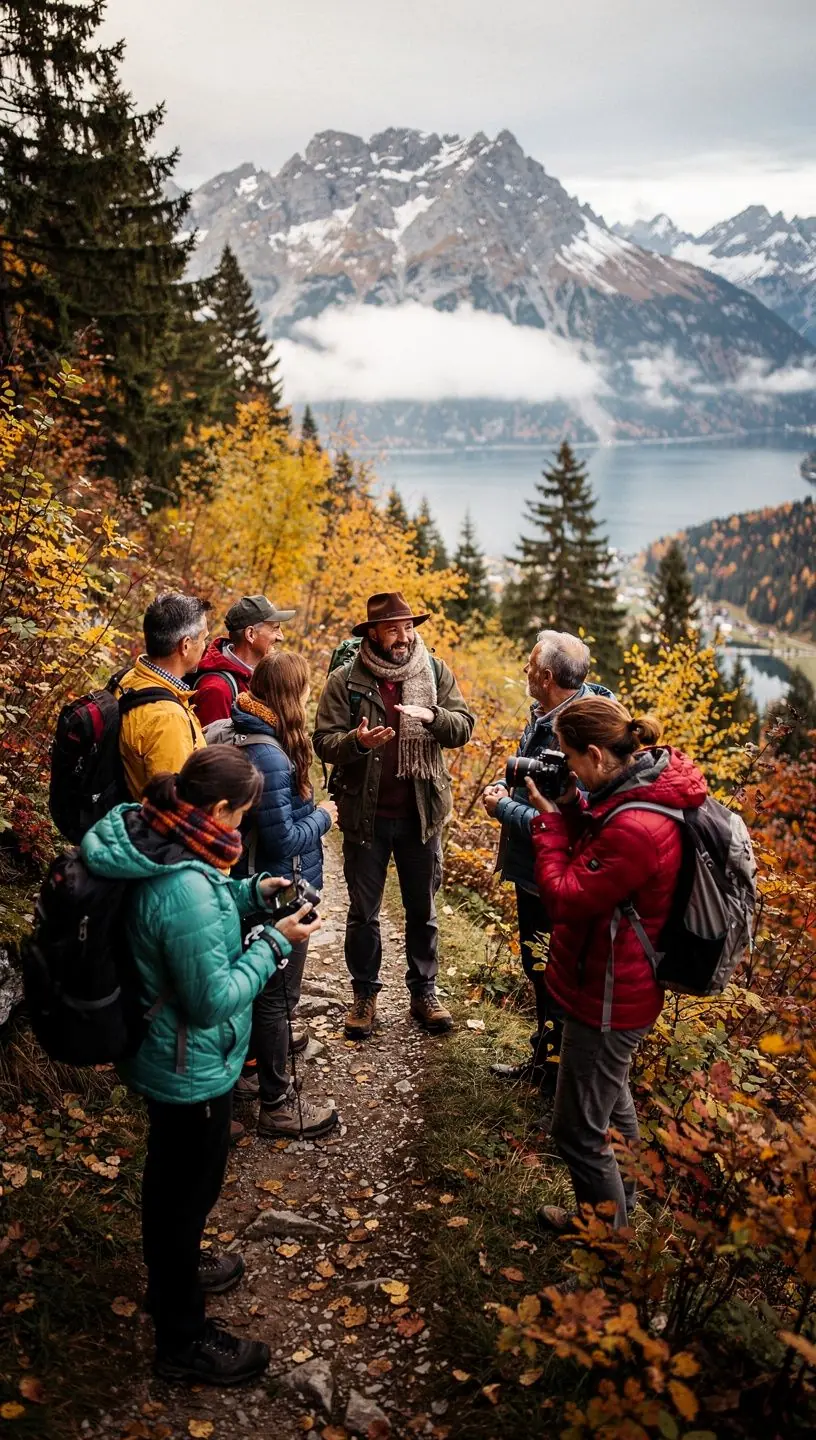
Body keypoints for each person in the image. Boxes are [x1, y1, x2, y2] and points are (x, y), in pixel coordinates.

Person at [81, 746, 321, 1384]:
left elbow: (200, 916)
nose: (241, 828)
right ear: (218, 809)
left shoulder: (168, 833)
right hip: (187, 1064)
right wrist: (275, 942)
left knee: (178, 1185)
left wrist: (252, 893)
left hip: (166, 1051)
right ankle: (181, 1342)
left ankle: (179, 1266)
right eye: (240, 815)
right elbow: (211, 999)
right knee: (182, 1194)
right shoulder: (183, 882)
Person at [525, 697, 706, 1232]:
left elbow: (564, 896)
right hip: (615, 982)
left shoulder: (638, 826)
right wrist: (575, 808)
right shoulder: (636, 790)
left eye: (570, 758)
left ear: (599, 755)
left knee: (578, 1131)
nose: (568, 769)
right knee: (612, 1102)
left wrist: (550, 824)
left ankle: (608, 1254)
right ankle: (615, 1208)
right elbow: (603, 844)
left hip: (609, 994)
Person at [313, 591, 475, 1039]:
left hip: (421, 814)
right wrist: (356, 744)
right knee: (363, 913)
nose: (403, 637)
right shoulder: (346, 680)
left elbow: (463, 727)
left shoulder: (434, 670)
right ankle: (364, 994)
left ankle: (424, 993)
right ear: (373, 633)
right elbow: (323, 741)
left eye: (408, 628)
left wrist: (434, 717)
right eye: (392, 629)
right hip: (365, 817)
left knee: (421, 910)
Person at [213, 651, 338, 1139]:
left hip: (251, 882)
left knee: (260, 994)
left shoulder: (240, 726)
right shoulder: (269, 754)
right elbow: (284, 838)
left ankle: (248, 1077)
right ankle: (278, 1104)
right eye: (305, 689)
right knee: (276, 998)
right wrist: (325, 816)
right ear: (290, 694)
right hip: (275, 889)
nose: (308, 697)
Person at [482, 631, 613, 1089]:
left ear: (549, 677)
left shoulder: (578, 732)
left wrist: (503, 808)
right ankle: (545, 1061)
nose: (524, 672)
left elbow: (561, 821)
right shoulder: (551, 713)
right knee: (538, 967)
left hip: (554, 872)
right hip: (534, 866)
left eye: (530, 666)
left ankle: (556, 1075)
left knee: (553, 971)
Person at [118, 593, 209, 800]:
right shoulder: (168, 719)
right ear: (185, 645)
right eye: (204, 638)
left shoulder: (130, 678)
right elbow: (174, 806)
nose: (205, 646)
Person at [193, 594, 296, 729]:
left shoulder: (257, 676)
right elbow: (212, 749)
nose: (281, 636)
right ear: (250, 634)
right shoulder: (217, 691)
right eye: (275, 628)